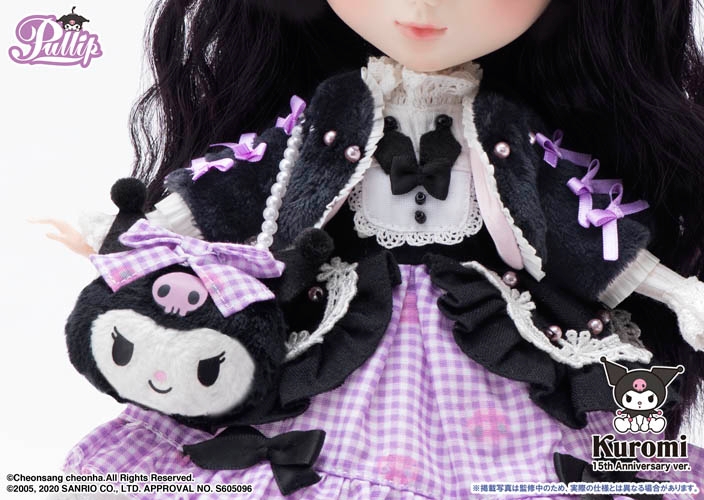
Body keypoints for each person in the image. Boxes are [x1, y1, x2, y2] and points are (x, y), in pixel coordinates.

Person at [57, 1, 704, 498]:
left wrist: (677, 294)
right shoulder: (331, 112)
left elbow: (581, 225)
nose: (424, 6)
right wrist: (141, 229)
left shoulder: (508, 131)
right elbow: (244, 180)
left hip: (484, 326)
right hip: (343, 318)